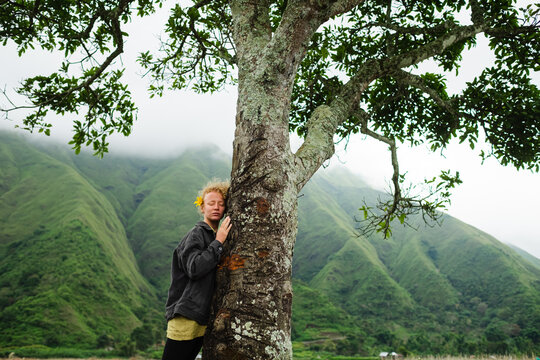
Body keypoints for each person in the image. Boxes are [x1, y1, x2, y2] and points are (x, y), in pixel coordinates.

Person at [161, 180, 232, 360]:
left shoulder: (213, 234)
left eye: (221, 203)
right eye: (211, 203)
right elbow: (194, 268)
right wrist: (219, 242)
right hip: (186, 313)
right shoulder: (197, 234)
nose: (216, 207)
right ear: (202, 208)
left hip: (201, 315)